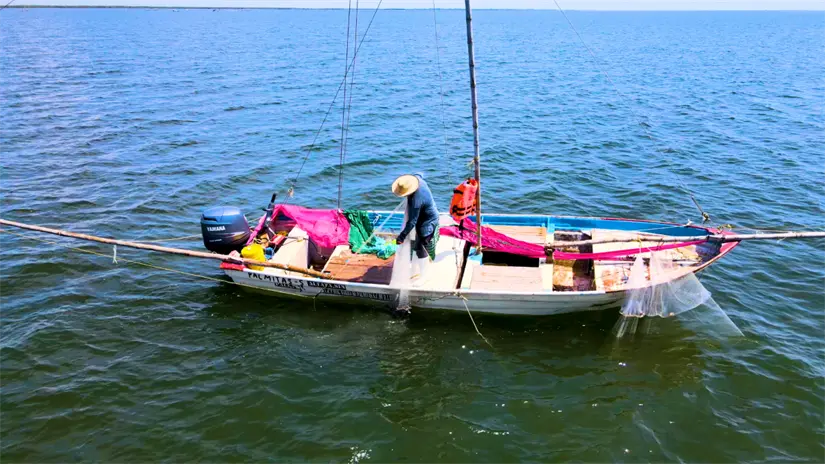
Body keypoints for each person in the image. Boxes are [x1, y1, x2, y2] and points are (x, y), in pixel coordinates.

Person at [392, 173, 439, 262]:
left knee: (422, 249)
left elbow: (412, 222)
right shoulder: (419, 180)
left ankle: (423, 269)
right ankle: (421, 261)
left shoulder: (416, 201)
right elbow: (419, 173)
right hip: (433, 213)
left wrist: (401, 237)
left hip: (427, 224)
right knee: (418, 245)